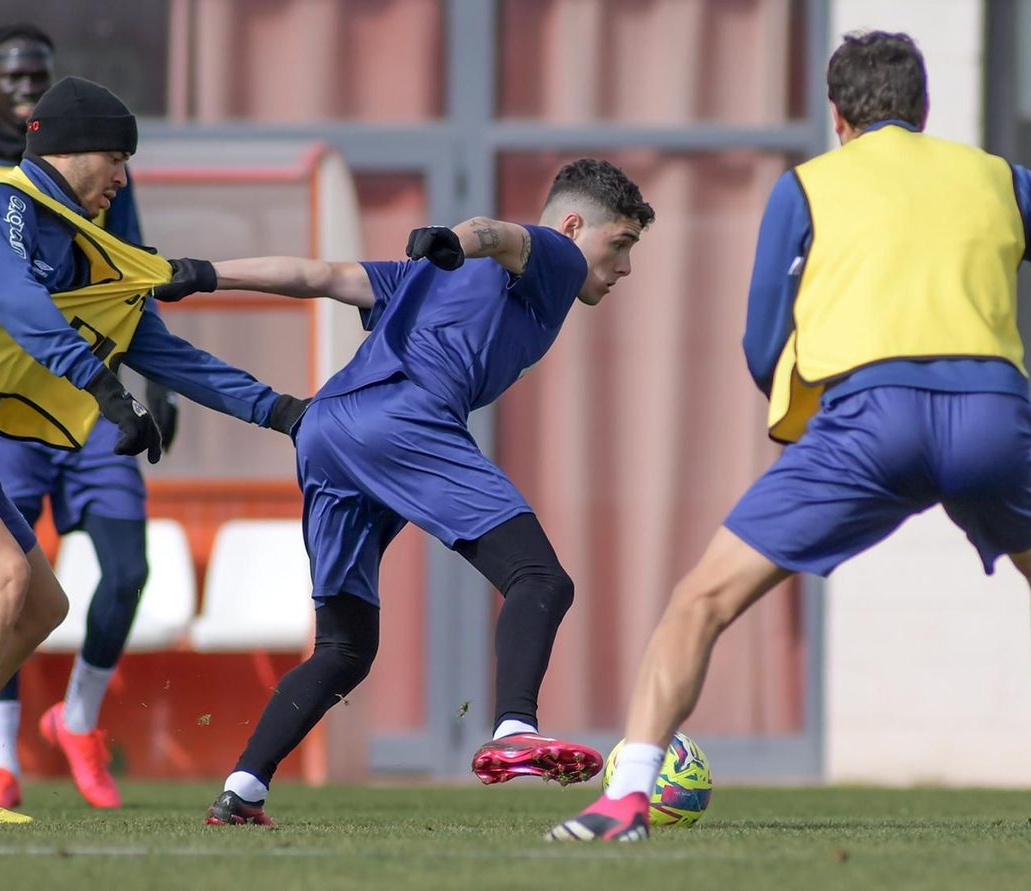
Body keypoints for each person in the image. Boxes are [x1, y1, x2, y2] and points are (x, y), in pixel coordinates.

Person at [547, 30, 1031, 843]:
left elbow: (763, 340)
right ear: (923, 110)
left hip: (868, 421)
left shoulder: (806, 186)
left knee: (702, 599)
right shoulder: (999, 179)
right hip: (991, 414)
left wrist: (798, 413)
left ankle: (626, 799)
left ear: (838, 117)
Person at [0, 76, 307, 824]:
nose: (124, 178)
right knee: (3, 575)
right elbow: (16, 300)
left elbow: (171, 355)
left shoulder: (88, 247)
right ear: (73, 150)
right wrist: (105, 389)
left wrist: (288, 414)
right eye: (117, 158)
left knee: (41, 604)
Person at [151, 159, 654, 826]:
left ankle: (243, 789)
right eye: (620, 244)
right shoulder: (557, 257)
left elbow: (319, 276)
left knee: (345, 647)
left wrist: (202, 273)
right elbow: (498, 232)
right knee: (540, 579)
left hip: (325, 429)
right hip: (404, 421)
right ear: (572, 226)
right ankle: (514, 730)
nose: (624, 268)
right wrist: (457, 237)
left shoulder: (428, 276)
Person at [0, 23, 180, 811]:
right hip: (3, 409)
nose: (24, 88)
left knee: (127, 568)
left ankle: (76, 720)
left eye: (37, 77)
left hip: (95, 400)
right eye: (11, 75)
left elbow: (135, 275)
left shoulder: (97, 166)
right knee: (7, 579)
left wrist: (160, 382)